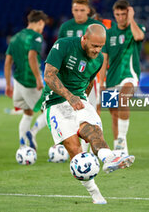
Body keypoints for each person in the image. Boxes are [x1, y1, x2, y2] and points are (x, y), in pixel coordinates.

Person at [43, 24, 135, 204]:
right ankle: (95, 193)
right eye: (94, 46)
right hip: (55, 102)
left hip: (79, 98)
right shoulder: (64, 45)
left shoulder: (99, 60)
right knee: (75, 150)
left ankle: (108, 158)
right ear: (84, 39)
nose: (97, 50)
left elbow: (89, 82)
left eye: (101, 47)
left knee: (92, 130)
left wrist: (83, 101)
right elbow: (49, 75)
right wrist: (70, 97)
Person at [57, 0, 105, 152]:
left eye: (82, 10)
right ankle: (71, 143)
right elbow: (59, 51)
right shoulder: (65, 27)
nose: (78, 13)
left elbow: (100, 53)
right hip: (68, 78)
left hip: (88, 77)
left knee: (91, 109)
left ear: (88, 10)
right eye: (75, 10)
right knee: (65, 110)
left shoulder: (96, 26)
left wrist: (102, 79)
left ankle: (92, 148)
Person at [100, 0, 145, 155]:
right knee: (114, 115)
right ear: (114, 14)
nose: (120, 17)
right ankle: (120, 151)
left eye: (123, 14)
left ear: (128, 13)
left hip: (129, 76)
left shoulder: (135, 29)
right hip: (111, 78)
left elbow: (139, 37)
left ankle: (121, 140)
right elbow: (104, 59)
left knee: (123, 98)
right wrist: (101, 82)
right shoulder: (109, 33)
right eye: (117, 14)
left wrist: (132, 18)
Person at [4, 10, 48, 151]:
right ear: (40, 22)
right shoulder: (36, 37)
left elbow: (7, 62)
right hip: (30, 82)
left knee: (27, 113)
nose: (42, 29)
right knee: (50, 110)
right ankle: (33, 131)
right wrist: (38, 79)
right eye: (43, 26)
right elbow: (31, 56)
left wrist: (8, 85)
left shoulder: (15, 37)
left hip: (18, 81)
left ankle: (23, 146)